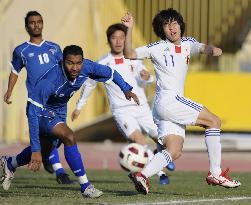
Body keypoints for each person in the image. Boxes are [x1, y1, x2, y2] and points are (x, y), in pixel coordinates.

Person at [121, 9, 241, 194]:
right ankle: (215, 173)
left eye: (174, 23)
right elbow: (129, 53)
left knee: (174, 150)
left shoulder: (188, 43)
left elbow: (201, 47)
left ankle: (142, 175)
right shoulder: (157, 47)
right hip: (170, 100)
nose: (172, 27)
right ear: (162, 30)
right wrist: (128, 28)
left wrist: (211, 50)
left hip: (164, 107)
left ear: (180, 25)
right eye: (167, 25)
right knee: (214, 121)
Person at [0, 45, 139, 198]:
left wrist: (126, 88)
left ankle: (10, 163)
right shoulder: (50, 81)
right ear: (62, 62)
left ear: (83, 61)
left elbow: (111, 73)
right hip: (39, 111)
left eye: (78, 63)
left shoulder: (87, 67)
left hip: (59, 111)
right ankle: (86, 186)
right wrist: (35, 149)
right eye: (70, 63)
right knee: (69, 136)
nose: (75, 68)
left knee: (47, 148)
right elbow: (32, 113)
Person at [71, 23, 175, 185]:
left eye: (122, 38)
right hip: (122, 111)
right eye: (114, 38)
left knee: (163, 140)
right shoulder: (103, 63)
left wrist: (147, 77)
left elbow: (145, 80)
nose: (118, 41)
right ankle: (160, 172)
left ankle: (157, 159)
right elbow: (89, 85)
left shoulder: (134, 58)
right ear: (109, 41)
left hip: (142, 108)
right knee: (139, 140)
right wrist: (79, 107)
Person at [3, 11, 72, 184]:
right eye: (32, 23)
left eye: (39, 22)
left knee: (52, 142)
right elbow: (15, 71)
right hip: (38, 102)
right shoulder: (22, 50)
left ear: (42, 24)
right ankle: (59, 170)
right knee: (60, 135)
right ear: (27, 27)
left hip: (55, 101)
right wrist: (9, 91)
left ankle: (11, 162)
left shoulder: (54, 47)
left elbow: (63, 68)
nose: (36, 25)